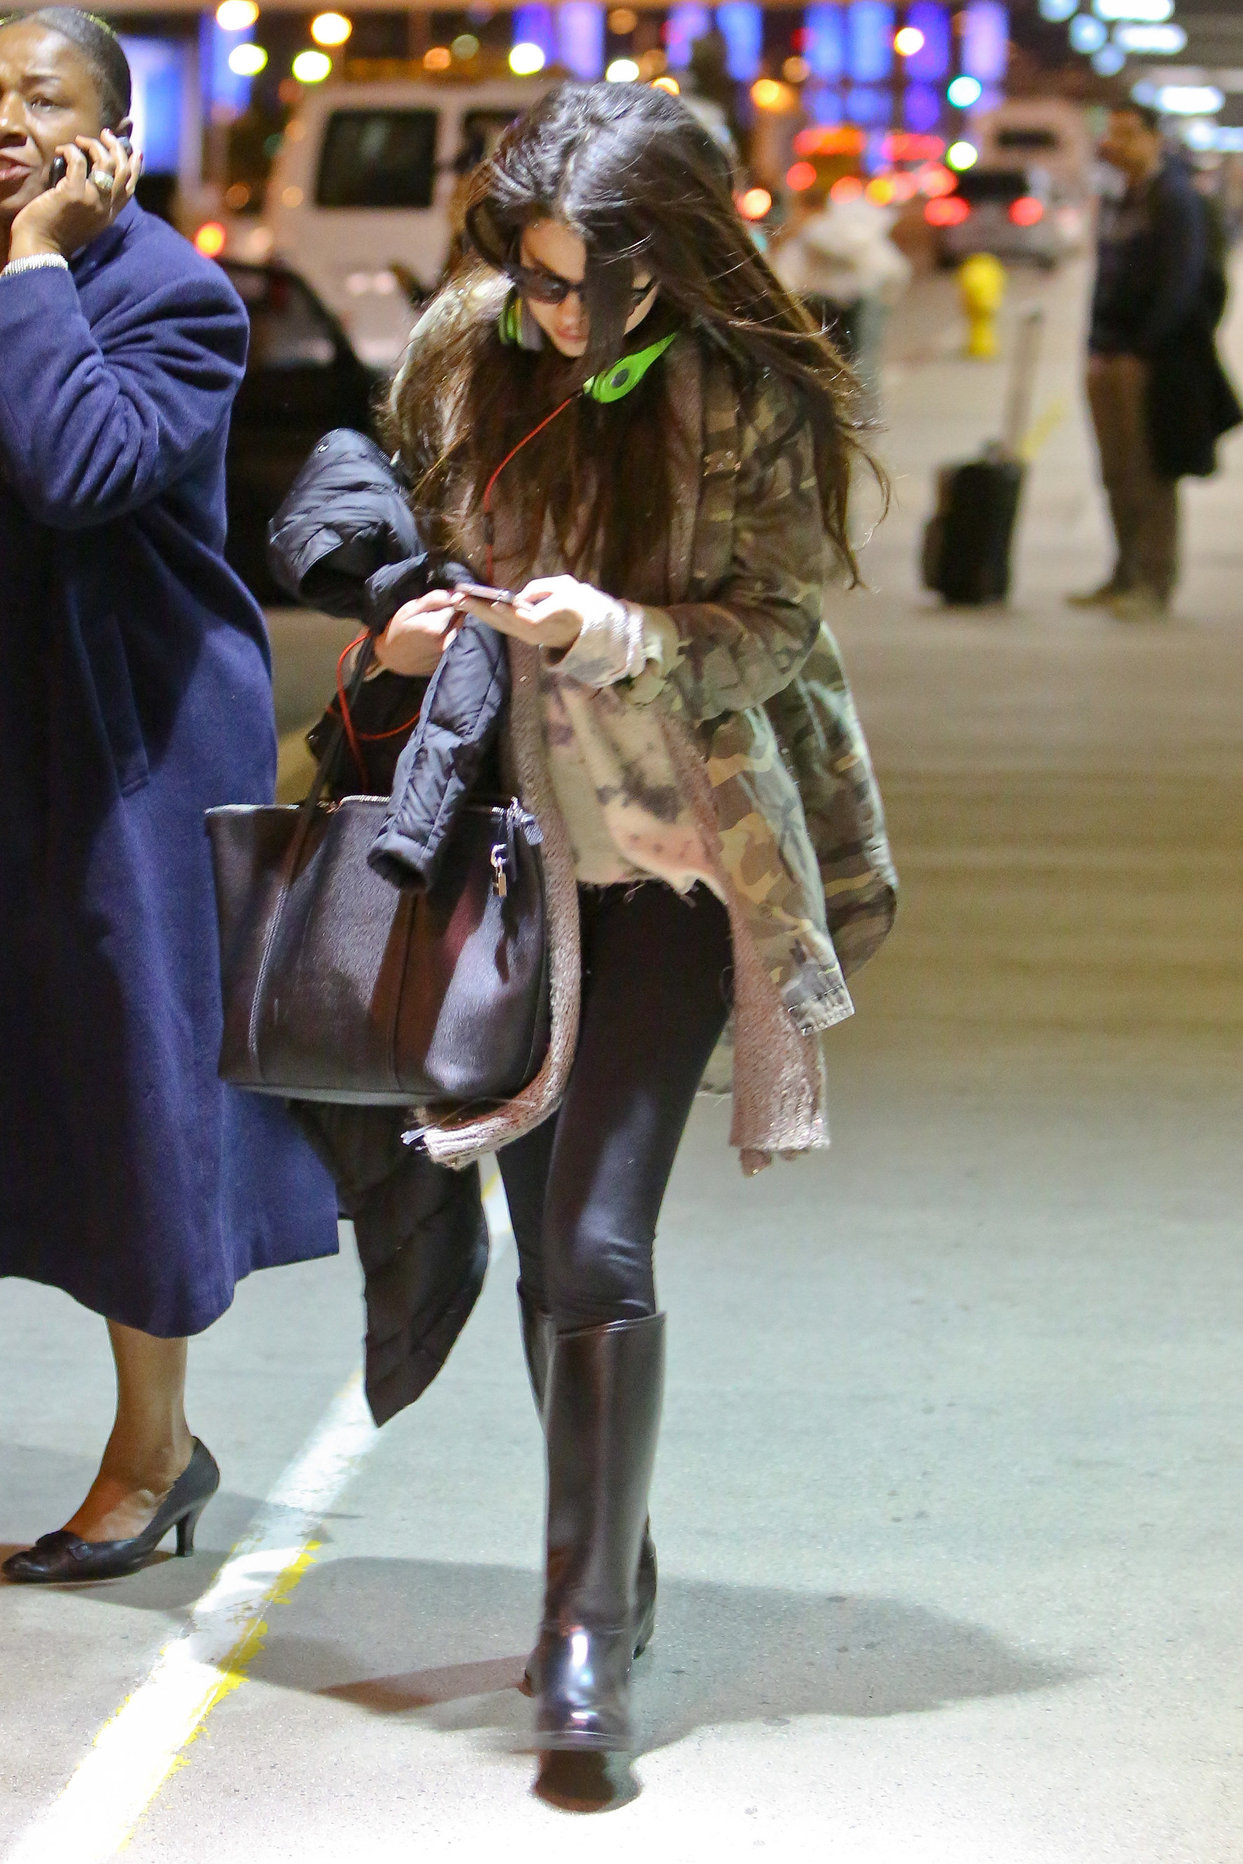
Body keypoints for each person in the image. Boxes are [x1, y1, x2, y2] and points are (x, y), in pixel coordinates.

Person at [344, 80, 897, 1757]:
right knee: (542, 1248)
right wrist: (399, 617)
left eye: (589, 283)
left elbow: (775, 627)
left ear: (671, 259)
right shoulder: (470, 348)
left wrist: (617, 632)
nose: (556, 312)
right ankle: (611, 1561)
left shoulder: (745, 389)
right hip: (501, 853)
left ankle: (579, 1637)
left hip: (672, 860)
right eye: (534, 276)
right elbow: (387, 528)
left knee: (594, 1240)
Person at [0, 9, 338, 1583]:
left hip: (127, 742)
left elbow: (77, 468)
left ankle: (154, 1452)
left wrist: (34, 266)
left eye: (39, 95)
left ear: (114, 136)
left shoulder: (173, 295)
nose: (6, 119)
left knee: (130, 1082)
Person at [1071, 102, 1241, 622]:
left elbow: (1184, 282)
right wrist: (1096, 344)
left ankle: (1153, 580)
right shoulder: (1121, 197)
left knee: (1149, 472)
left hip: (1146, 358)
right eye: (1112, 135)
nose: (1116, 145)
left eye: (1128, 135)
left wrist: (1146, 345)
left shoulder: (1175, 198)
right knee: (1115, 472)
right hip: (1107, 352)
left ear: (1152, 139)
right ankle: (1123, 572)